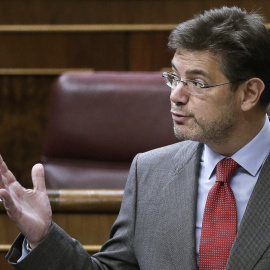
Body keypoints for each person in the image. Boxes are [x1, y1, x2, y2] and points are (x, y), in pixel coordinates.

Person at [1, 5, 270, 270]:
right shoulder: (151, 172)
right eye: (175, 77)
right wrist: (43, 238)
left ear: (249, 93)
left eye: (197, 83)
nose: (176, 95)